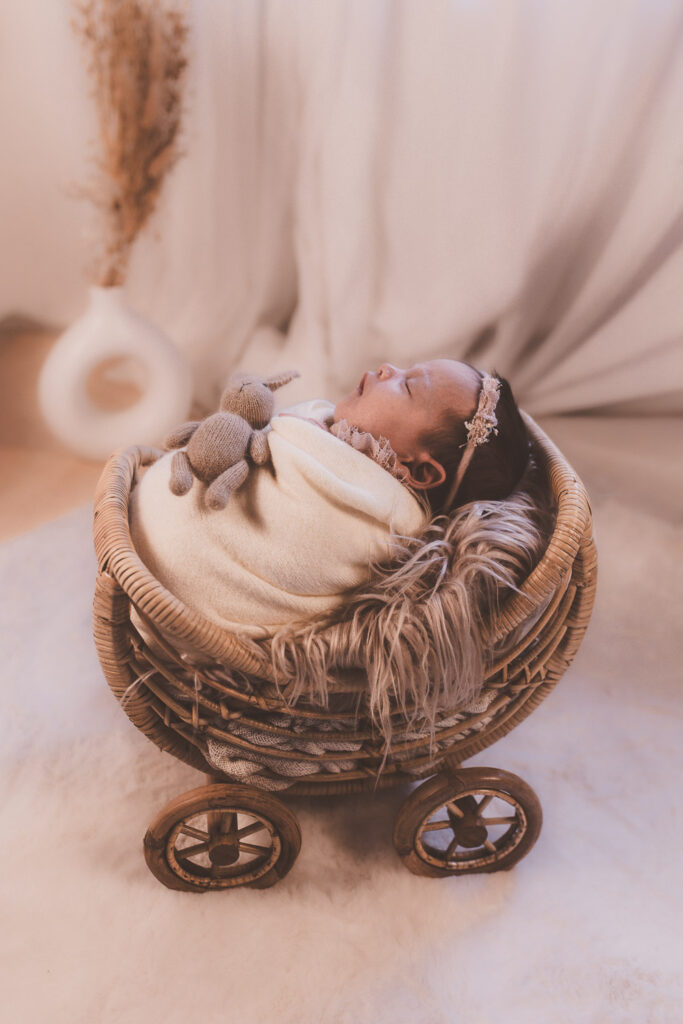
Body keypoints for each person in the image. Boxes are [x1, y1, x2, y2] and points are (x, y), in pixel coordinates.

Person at [129, 358, 529, 637]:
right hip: (150, 564)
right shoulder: (335, 434)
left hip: (183, 602)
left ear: (421, 471)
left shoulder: (383, 519)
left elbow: (302, 542)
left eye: (407, 385)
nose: (388, 368)